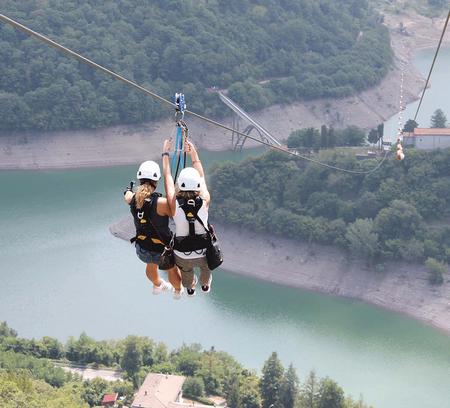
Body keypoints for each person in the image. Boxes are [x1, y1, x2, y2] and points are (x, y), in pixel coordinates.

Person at [124, 160, 183, 298]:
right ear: (156, 181)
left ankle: (157, 285)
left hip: (142, 249)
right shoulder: (161, 203)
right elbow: (175, 211)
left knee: (151, 265)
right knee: (172, 269)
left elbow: (127, 195)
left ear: (139, 179)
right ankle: (177, 291)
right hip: (163, 250)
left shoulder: (132, 198)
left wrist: (128, 190)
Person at [162, 139, 212, 296]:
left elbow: (168, 177)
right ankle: (205, 285)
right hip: (204, 250)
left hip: (183, 253)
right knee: (205, 268)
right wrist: (194, 155)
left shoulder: (173, 203)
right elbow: (202, 176)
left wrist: (165, 154)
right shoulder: (205, 200)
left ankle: (190, 287)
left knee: (186, 270)